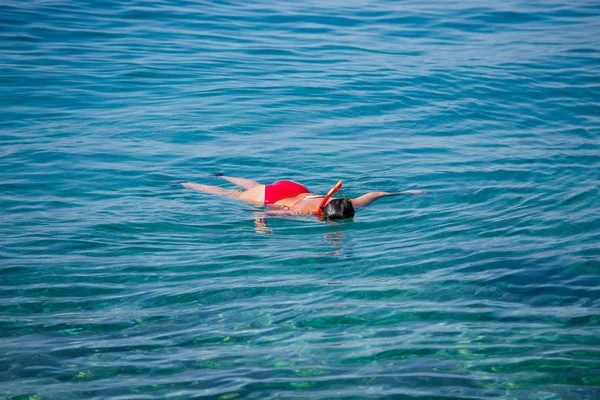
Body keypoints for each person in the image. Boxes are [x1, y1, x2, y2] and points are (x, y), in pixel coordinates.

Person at [175, 173, 424, 220]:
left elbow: (377, 193)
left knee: (252, 186)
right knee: (233, 195)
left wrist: (406, 192)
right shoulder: (304, 213)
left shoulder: (347, 203)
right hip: (273, 197)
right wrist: (260, 223)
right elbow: (268, 212)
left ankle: (223, 174)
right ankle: (187, 183)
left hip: (294, 187)